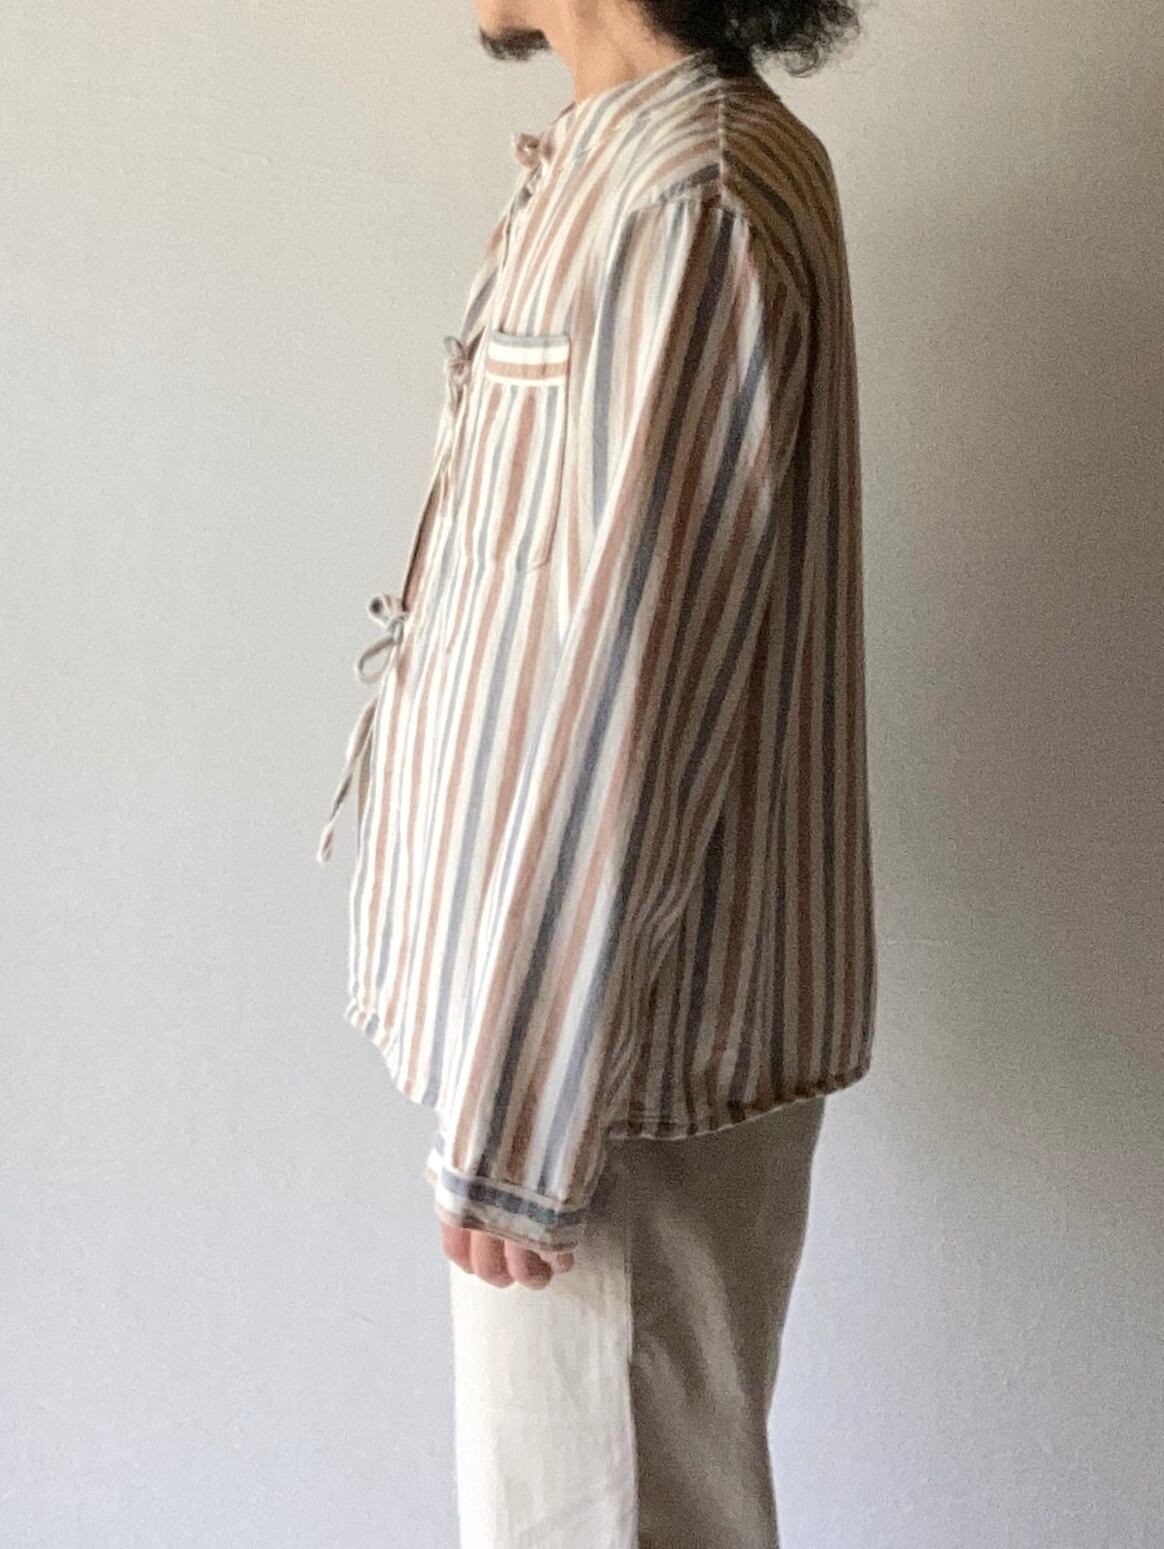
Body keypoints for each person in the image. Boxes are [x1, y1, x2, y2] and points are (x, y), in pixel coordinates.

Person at [318, 3, 876, 1543]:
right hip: (578, 1051)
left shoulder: (692, 195)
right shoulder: (624, 166)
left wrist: (526, 1116)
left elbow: (633, 687)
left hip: (609, 1076)